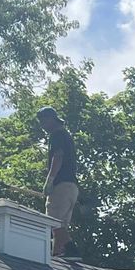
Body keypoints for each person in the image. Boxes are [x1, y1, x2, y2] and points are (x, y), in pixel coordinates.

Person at [36, 106, 78, 256]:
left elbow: (58, 156)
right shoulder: (66, 135)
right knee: (59, 226)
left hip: (61, 185)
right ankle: (58, 256)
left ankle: (72, 250)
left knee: (52, 222)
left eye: (43, 121)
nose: (42, 126)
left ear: (51, 119)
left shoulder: (57, 135)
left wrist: (50, 180)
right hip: (71, 188)